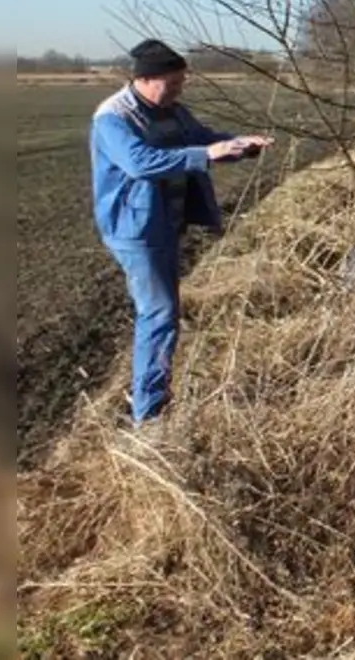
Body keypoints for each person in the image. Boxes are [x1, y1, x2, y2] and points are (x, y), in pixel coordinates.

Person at [90, 38, 274, 428]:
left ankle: (151, 399)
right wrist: (207, 155)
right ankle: (149, 415)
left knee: (162, 312)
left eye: (180, 84)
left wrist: (240, 144)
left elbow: (201, 137)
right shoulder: (113, 118)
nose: (177, 91)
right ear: (145, 79)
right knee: (160, 315)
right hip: (136, 230)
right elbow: (140, 163)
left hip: (166, 223)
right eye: (171, 84)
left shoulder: (171, 110)